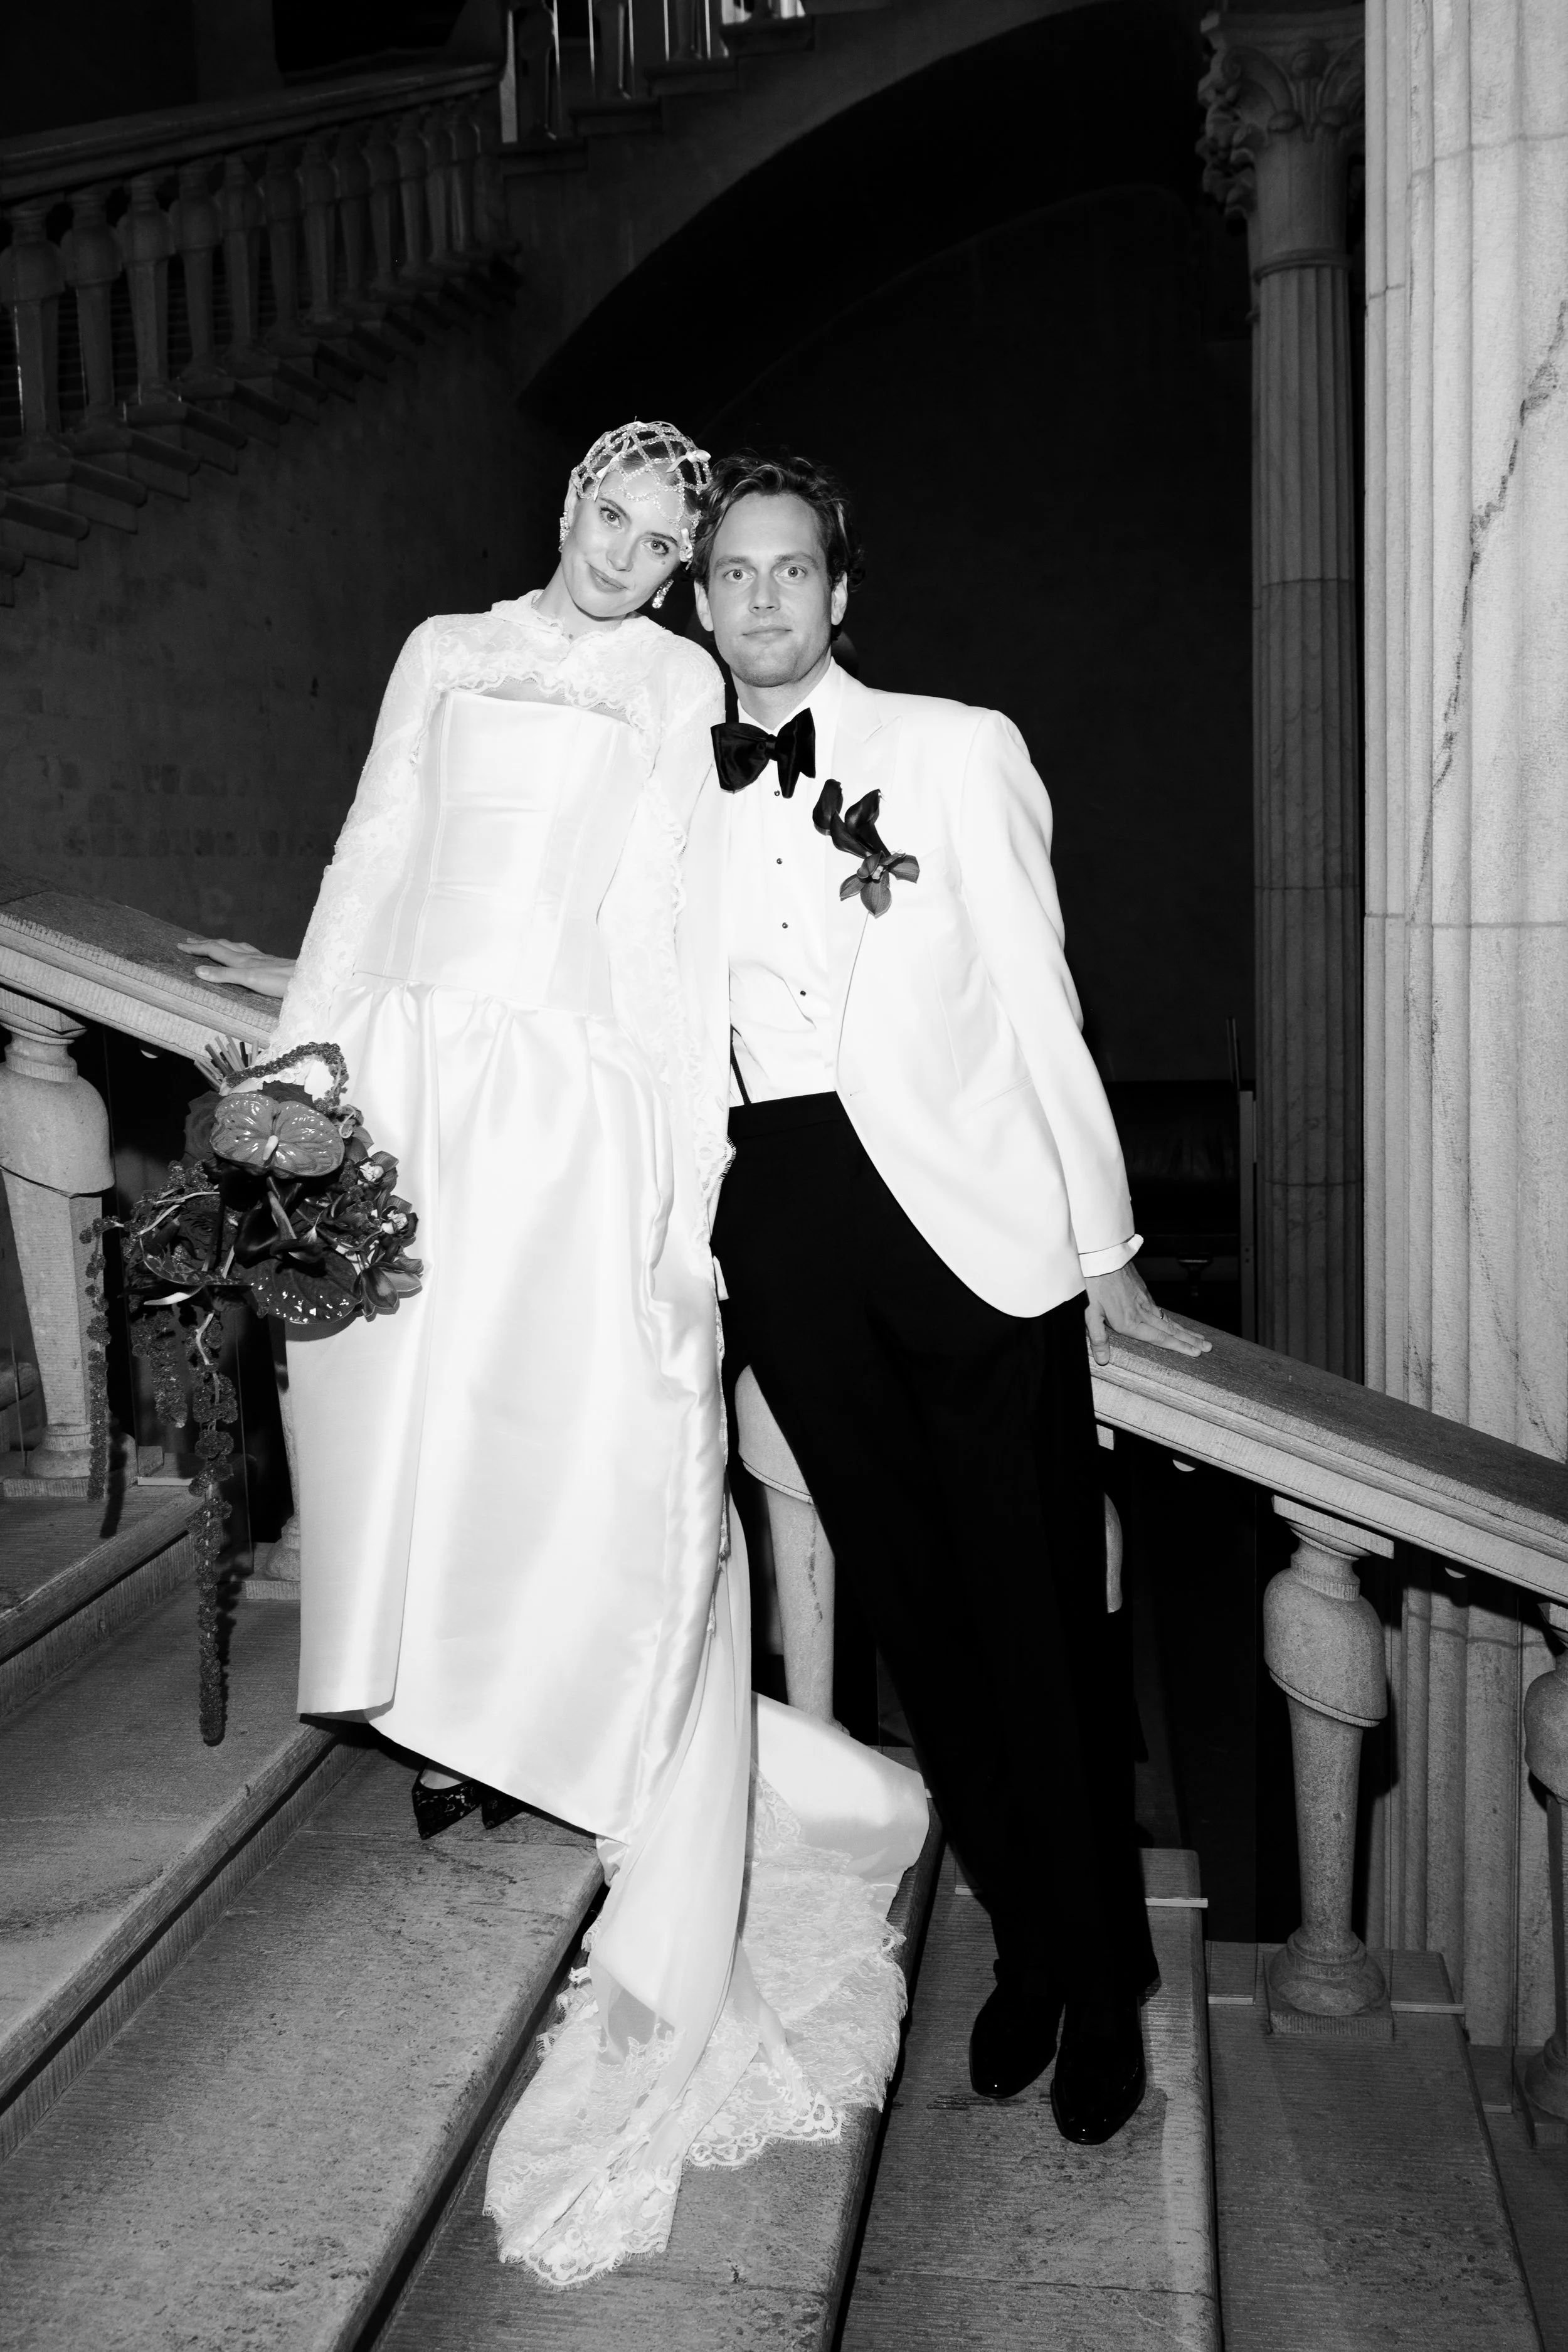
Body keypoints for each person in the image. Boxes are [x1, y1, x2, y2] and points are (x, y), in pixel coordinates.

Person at [181, 421, 928, 2283]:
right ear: (568, 509)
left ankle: (519, 1717)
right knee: (384, 1406)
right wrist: (301, 1069)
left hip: (571, 1104)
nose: (636, 550)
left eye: (669, 537)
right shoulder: (443, 649)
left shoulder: (675, 683)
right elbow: (373, 855)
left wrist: (684, 1181)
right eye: (620, 514)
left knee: (545, 1420)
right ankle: (430, 1698)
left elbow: (667, 935)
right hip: (418, 1074)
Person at [680, 448, 1210, 2148]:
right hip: (780, 1221)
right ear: (701, 605)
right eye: (732, 574)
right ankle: (1030, 1957)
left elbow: (1043, 1011)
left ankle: (1105, 1972)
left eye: (790, 569)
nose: (761, 597)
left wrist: (1105, 1255)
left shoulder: (955, 748)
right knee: (914, 1609)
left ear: (840, 591)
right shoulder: (667, 796)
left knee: (1040, 1611)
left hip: (965, 1229)